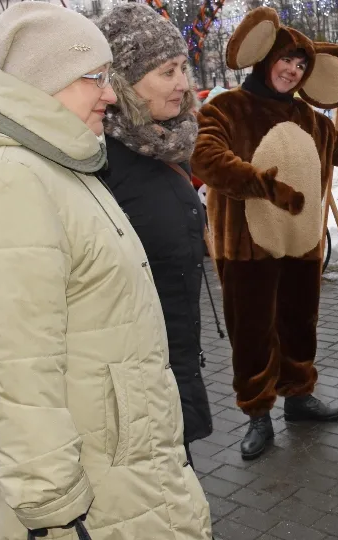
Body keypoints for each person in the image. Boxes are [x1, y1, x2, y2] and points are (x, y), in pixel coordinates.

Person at [0, 3, 212, 539]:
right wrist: (54, 504)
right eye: (95, 78)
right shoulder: (7, 180)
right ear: (45, 80)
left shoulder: (58, 164)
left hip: (116, 462)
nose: (110, 93)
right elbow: (13, 370)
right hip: (85, 501)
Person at [193, 6, 338, 461]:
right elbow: (205, 157)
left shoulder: (312, 119)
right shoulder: (226, 108)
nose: (293, 72)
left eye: (301, 66)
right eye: (286, 61)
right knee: (252, 332)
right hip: (246, 247)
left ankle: (298, 397)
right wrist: (260, 183)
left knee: (300, 325)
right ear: (265, 58)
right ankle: (258, 414)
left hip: (301, 243)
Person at [96, 3, 213, 464]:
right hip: (133, 384)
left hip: (174, 356)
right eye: (167, 71)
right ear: (124, 79)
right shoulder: (101, 160)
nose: (183, 84)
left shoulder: (165, 144)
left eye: (183, 68)